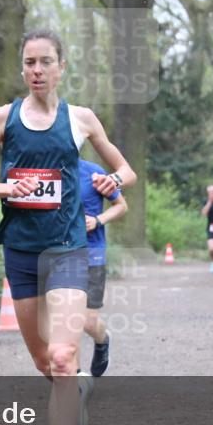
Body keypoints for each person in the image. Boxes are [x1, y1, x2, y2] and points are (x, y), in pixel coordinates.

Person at [0, 29, 136, 425]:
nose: (36, 70)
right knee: (46, 364)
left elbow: (126, 171)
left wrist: (108, 179)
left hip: (67, 250)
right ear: (23, 70)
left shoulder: (81, 120)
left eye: (45, 62)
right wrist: (6, 190)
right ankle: (72, 394)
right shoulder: (4, 118)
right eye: (29, 63)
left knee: (62, 356)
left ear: (61, 67)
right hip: (20, 252)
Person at [79, 158, 128, 377]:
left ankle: (102, 340)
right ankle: (74, 376)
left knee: (88, 322)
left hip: (92, 254)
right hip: (57, 255)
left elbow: (121, 206)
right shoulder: (44, 173)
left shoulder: (93, 173)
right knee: (62, 322)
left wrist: (98, 220)